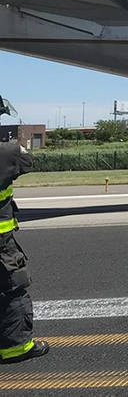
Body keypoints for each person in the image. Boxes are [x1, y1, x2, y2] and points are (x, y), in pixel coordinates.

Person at [0, 142, 47, 364]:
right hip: (1, 244)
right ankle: (16, 348)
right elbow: (27, 161)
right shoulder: (7, 152)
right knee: (11, 289)